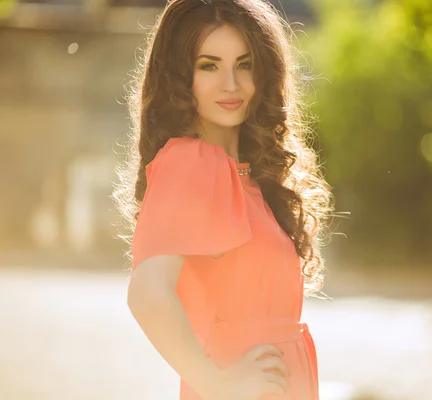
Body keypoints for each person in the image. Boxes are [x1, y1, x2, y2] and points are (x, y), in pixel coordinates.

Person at [111, 0, 334, 399]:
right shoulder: (192, 161)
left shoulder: (248, 177)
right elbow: (147, 293)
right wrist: (216, 383)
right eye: (209, 65)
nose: (230, 84)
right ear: (181, 77)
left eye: (244, 64)